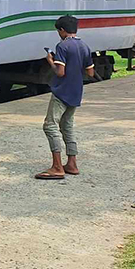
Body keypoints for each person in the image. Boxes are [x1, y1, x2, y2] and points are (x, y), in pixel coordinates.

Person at [35, 15, 94, 180]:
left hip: (62, 91)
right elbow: (90, 72)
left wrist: (51, 61)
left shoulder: (62, 46)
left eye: (58, 31)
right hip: (76, 91)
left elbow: (60, 72)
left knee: (50, 125)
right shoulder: (84, 46)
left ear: (62, 30)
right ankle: (72, 164)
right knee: (67, 126)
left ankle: (57, 166)